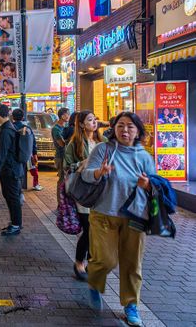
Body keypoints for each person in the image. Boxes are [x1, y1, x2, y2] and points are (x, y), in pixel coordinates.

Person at [82, 112, 155, 327]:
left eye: (130, 127)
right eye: (121, 125)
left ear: (138, 131)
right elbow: (86, 174)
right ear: (114, 128)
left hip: (135, 216)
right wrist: (99, 173)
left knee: (133, 264)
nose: (125, 130)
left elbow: (156, 185)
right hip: (103, 213)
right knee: (105, 260)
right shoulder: (103, 149)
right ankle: (95, 283)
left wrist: (148, 185)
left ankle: (131, 305)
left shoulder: (144, 156)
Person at [63, 111, 105, 282]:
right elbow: (67, 167)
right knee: (89, 229)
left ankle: (91, 264)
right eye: (89, 120)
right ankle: (80, 262)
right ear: (81, 124)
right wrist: (82, 164)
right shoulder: (75, 144)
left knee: (98, 231)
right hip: (84, 193)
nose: (94, 122)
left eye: (95, 119)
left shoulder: (103, 143)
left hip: (102, 192)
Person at [0, 104, 24, 236]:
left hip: (10, 170)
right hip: (13, 169)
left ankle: (16, 225)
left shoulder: (6, 130)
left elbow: (2, 153)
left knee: (12, 198)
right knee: (11, 197)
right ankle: (15, 223)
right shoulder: (10, 127)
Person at [12, 109, 42, 191]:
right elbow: (33, 142)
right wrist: (34, 154)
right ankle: (35, 184)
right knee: (33, 170)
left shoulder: (10, 127)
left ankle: (17, 188)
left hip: (13, 156)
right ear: (22, 117)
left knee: (16, 173)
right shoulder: (27, 128)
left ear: (13, 117)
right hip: (26, 154)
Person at [52, 107, 70, 203]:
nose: (68, 116)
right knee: (62, 179)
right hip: (60, 156)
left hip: (66, 156)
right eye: (67, 114)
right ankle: (60, 203)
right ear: (62, 116)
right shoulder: (56, 129)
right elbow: (61, 144)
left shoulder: (65, 127)